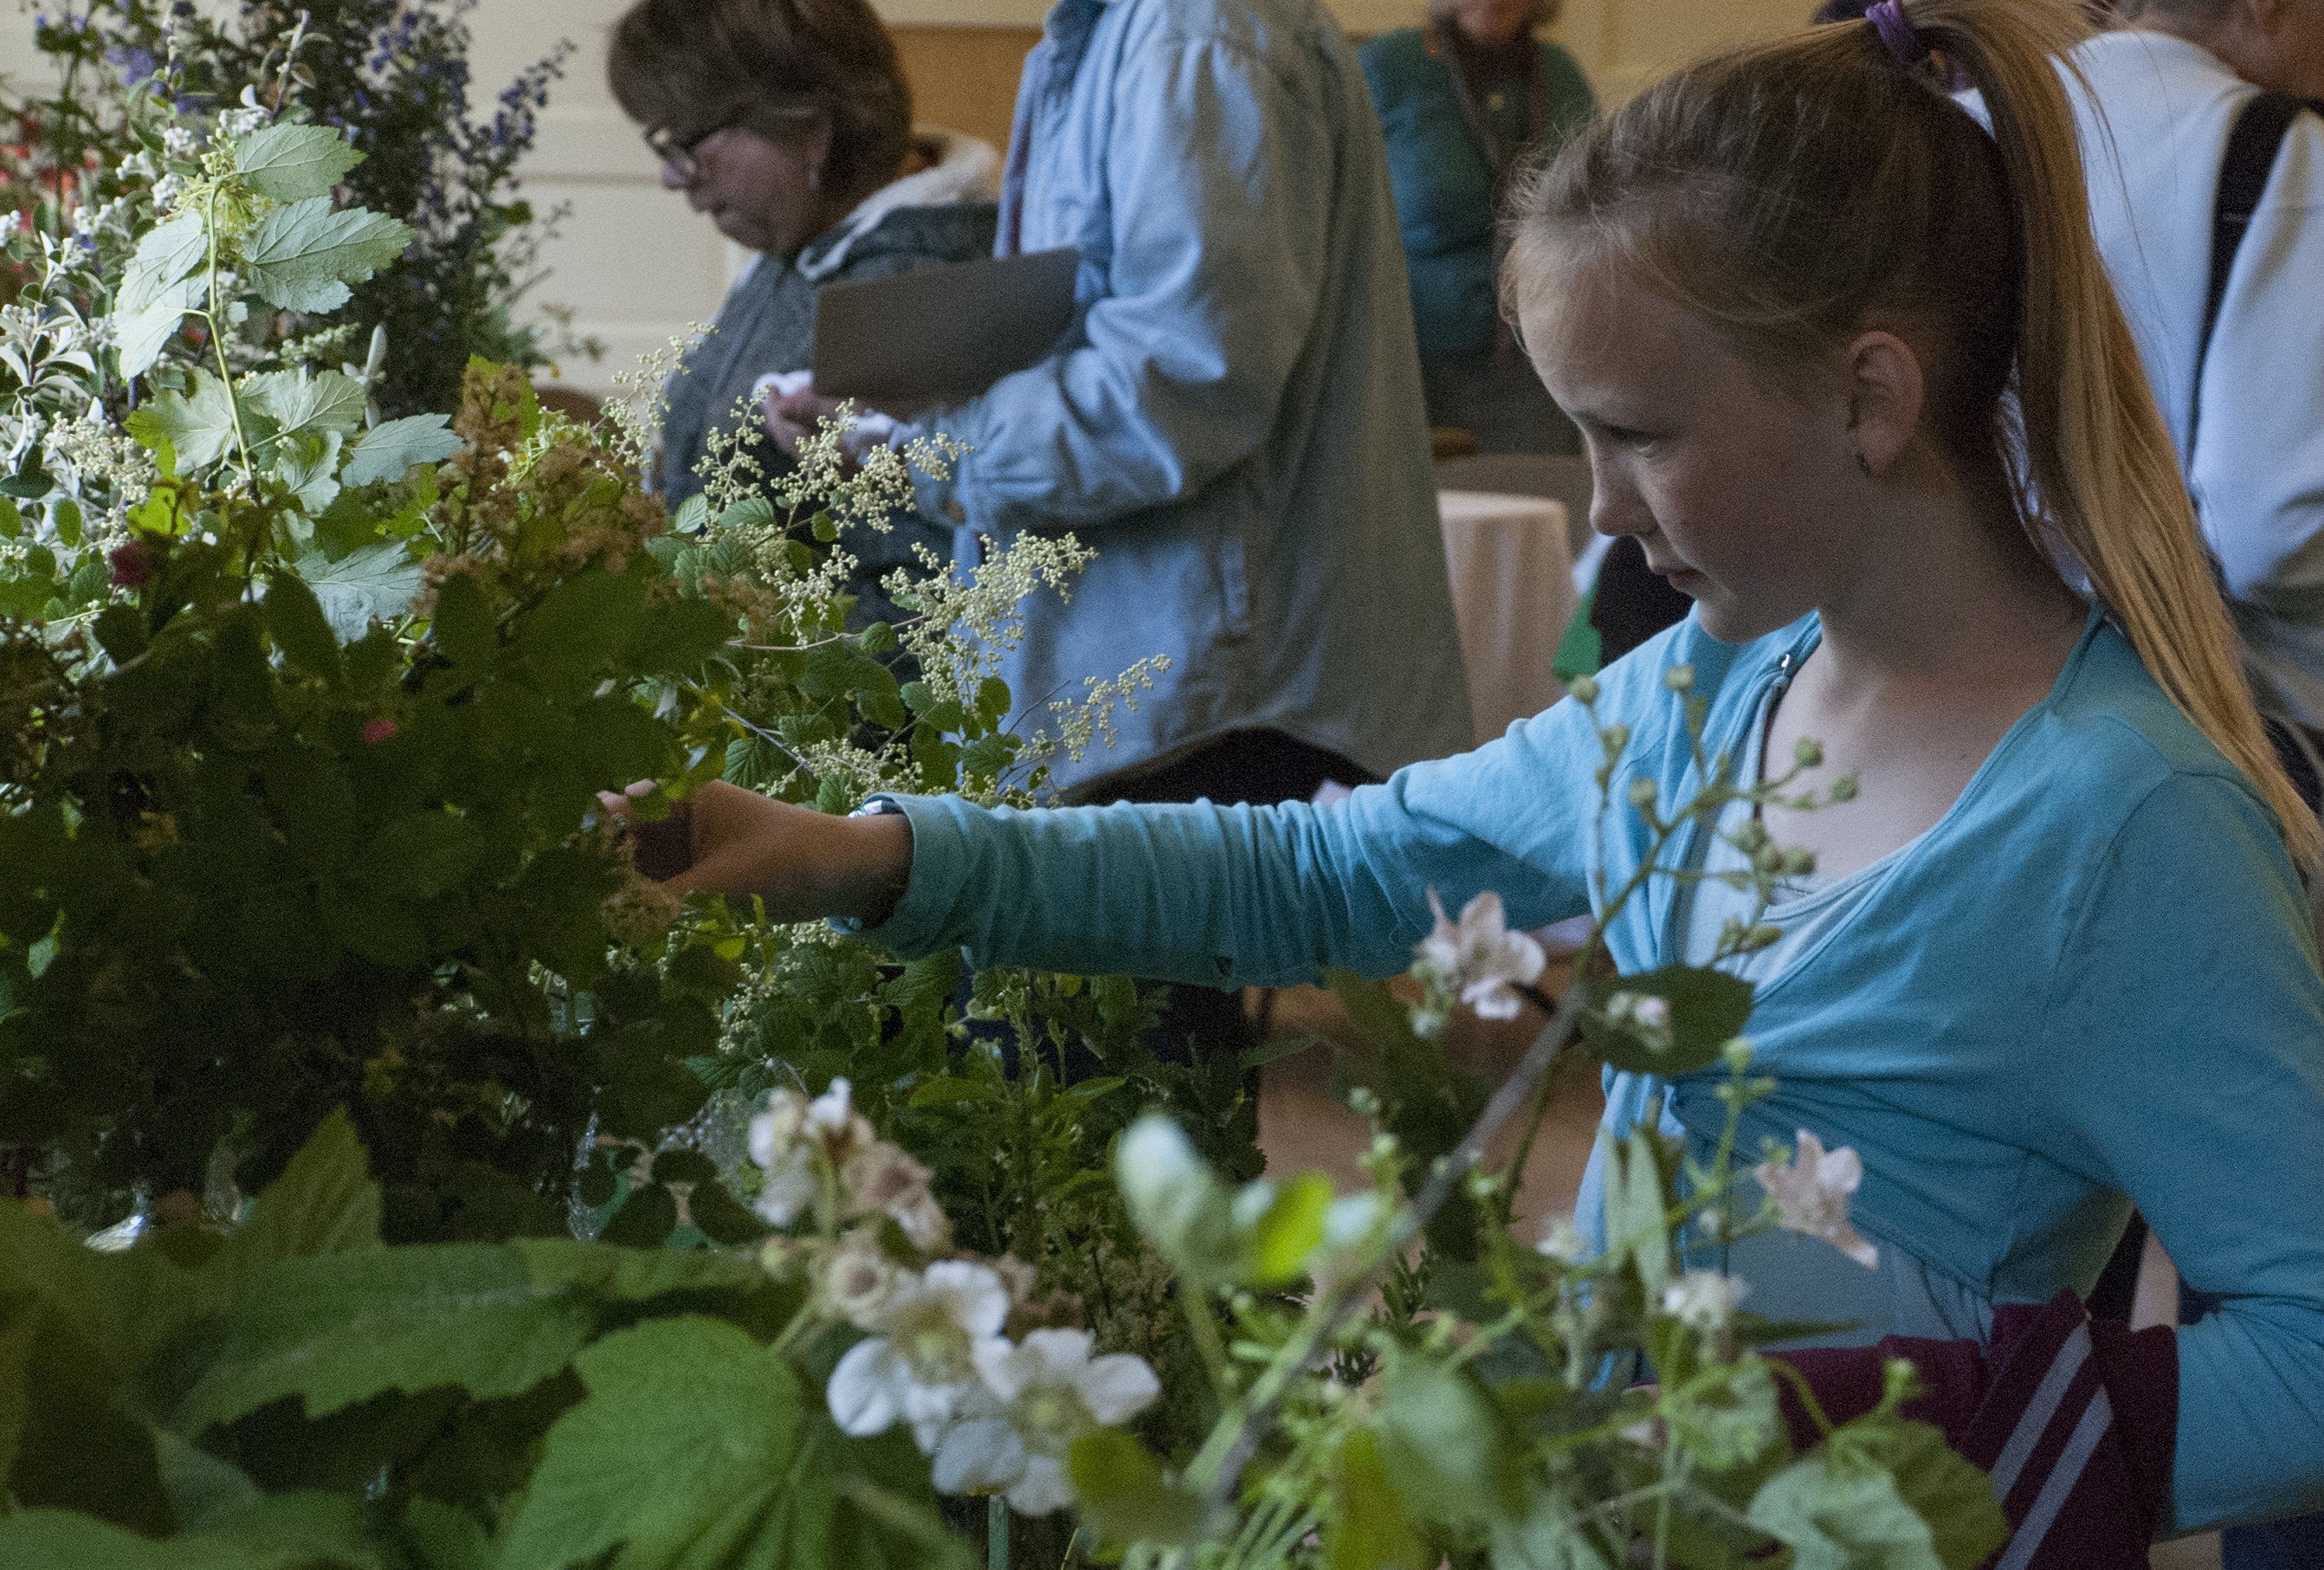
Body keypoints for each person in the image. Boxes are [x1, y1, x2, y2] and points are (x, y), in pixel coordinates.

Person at [625, 0, 2324, 1535]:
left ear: (1870, 396)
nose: (1599, 508)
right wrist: (862, 857)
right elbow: (1322, 873)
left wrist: (1921, 1430)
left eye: (1640, 434)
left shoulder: (2121, 822)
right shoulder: (1715, 694)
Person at [765, 0, 1475, 810]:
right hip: (1181, 685)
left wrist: (930, 448)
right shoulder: (1136, 32)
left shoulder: (1198, 36)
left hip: (1213, 700)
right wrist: (906, 418)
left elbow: (1182, 388)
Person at [607, 0, 997, 549]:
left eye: (686, 142)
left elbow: (915, 573)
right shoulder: (803, 239)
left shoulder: (919, 284)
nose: (673, 177)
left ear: (809, 130)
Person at [2059, 2, 2324, 801]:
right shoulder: (2282, 156)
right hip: (2228, 742)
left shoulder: (1978, 120)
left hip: (2003, 712)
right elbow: (2273, 532)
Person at [1359, 1, 1595, 453]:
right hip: (1408, 366)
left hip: (1537, 357)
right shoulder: (1386, 67)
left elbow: (1599, 209)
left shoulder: (1561, 73)